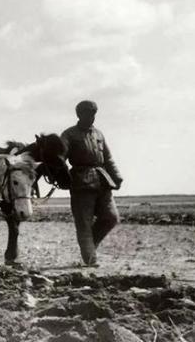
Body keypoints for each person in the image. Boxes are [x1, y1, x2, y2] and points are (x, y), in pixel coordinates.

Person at [60, 100, 123, 266]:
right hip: (81, 182)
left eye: (94, 114)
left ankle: (89, 247)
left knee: (111, 217)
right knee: (84, 223)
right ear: (79, 115)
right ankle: (90, 259)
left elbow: (108, 158)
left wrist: (116, 176)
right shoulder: (68, 135)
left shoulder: (99, 134)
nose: (92, 117)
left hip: (103, 180)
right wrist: (65, 178)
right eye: (88, 114)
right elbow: (59, 159)